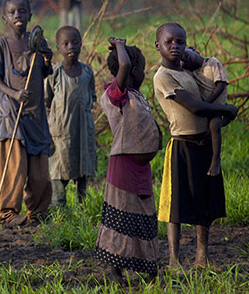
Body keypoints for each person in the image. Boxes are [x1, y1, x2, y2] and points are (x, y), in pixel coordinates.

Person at [153, 23, 238, 268]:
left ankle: (202, 257)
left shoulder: (188, 71)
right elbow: (195, 107)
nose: (175, 46)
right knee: (176, 208)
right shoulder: (163, 77)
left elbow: (211, 89)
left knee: (205, 203)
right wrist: (226, 109)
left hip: (204, 143)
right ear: (158, 45)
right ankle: (174, 260)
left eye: (180, 42)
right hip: (182, 144)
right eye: (169, 42)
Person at [95, 37, 160, 282]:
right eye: (142, 69)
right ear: (133, 70)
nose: (144, 74)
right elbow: (122, 67)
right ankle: (115, 270)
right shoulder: (116, 93)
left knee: (144, 214)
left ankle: (148, 266)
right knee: (121, 216)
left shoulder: (135, 95)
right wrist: (120, 46)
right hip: (123, 165)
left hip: (141, 167)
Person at [0, 0, 53, 225]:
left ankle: (38, 211)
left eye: (22, 11)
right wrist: (14, 94)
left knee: (39, 170)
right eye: (12, 12)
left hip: (35, 115)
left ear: (30, 15)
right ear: (4, 18)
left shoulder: (37, 42)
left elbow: (45, 73)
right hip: (12, 113)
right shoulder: (1, 45)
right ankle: (6, 212)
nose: (18, 15)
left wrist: (47, 60)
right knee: (14, 167)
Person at [44, 26, 96, 206]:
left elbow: (92, 96)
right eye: (65, 44)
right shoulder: (55, 73)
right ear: (58, 48)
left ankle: (83, 203)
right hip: (61, 128)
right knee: (60, 164)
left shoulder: (88, 72)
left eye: (74, 42)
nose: (70, 47)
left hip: (83, 127)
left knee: (83, 162)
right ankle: (58, 203)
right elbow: (47, 99)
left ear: (81, 44)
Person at [181, 47, 229, 176]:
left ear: (194, 50)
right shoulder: (193, 72)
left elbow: (221, 85)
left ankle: (216, 158)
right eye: (183, 61)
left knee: (214, 124)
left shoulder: (213, 63)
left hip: (217, 105)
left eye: (186, 54)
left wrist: (207, 103)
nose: (185, 59)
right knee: (204, 129)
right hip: (206, 108)